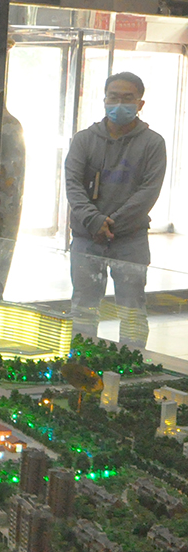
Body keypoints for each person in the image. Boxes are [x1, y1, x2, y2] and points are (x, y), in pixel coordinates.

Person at [65, 71, 166, 347]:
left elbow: (149, 191)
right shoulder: (84, 139)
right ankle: (81, 363)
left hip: (131, 239)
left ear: (140, 104)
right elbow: (73, 185)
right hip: (87, 237)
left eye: (127, 98)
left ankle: (131, 363)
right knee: (83, 307)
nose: (119, 103)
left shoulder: (153, 143)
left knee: (132, 310)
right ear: (104, 100)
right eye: (113, 97)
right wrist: (94, 221)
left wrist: (111, 223)